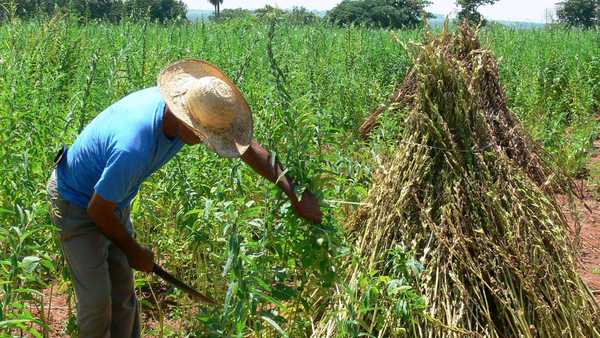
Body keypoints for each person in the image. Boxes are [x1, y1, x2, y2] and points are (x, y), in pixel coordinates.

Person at [46, 59, 323, 338]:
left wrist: (294, 192)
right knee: (96, 305)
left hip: (112, 198)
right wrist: (133, 250)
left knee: (122, 298)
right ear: (185, 119)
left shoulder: (190, 105)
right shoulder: (134, 146)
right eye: (204, 134)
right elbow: (97, 211)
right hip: (77, 202)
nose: (206, 141)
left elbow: (247, 148)